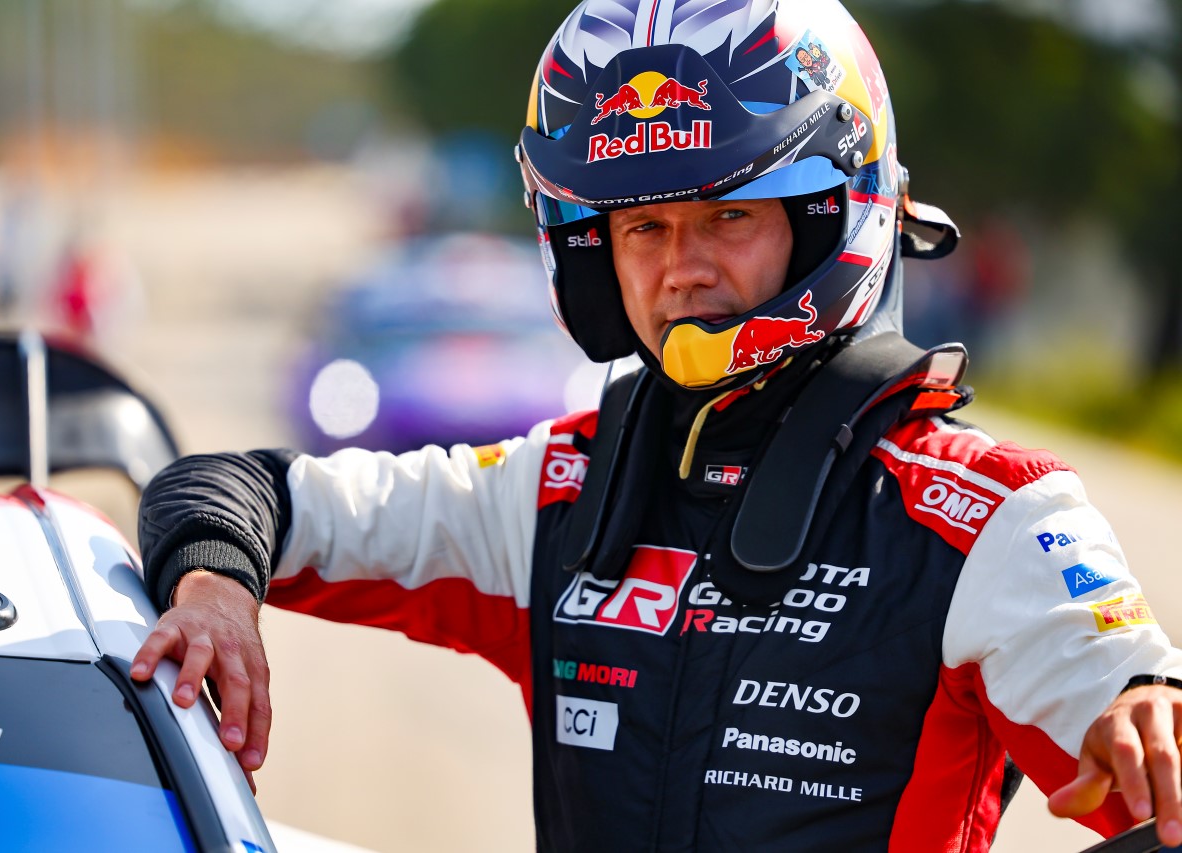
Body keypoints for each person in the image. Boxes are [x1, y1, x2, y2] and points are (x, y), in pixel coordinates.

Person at [131, 0, 1182, 848]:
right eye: (643, 226)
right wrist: (214, 590)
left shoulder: (990, 520)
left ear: (831, 214)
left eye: (727, 215)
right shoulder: (548, 491)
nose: (682, 267)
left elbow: (1136, 725)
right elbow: (229, 487)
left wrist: (1143, 698)